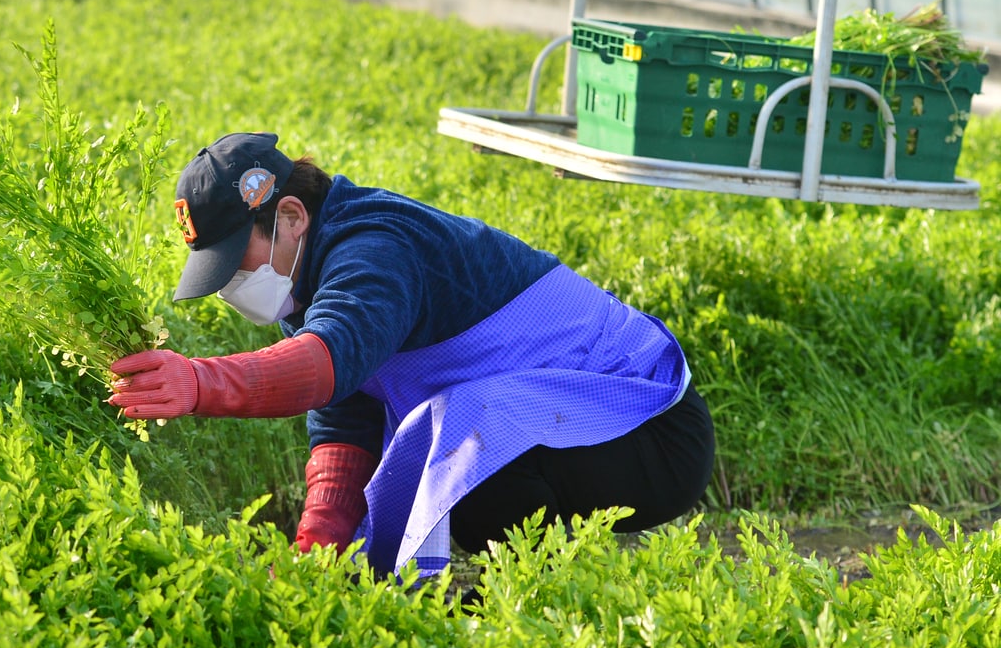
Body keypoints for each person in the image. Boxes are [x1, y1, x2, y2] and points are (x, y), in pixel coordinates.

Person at [108, 132, 715, 577]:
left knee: (458, 461)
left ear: (291, 216)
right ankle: (529, 586)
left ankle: (544, 598)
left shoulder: (373, 249)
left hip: (649, 432)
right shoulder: (309, 276)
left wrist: (199, 382)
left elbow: (328, 364)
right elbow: (345, 416)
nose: (233, 284)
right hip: (583, 433)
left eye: (236, 261)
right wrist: (315, 552)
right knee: (432, 459)